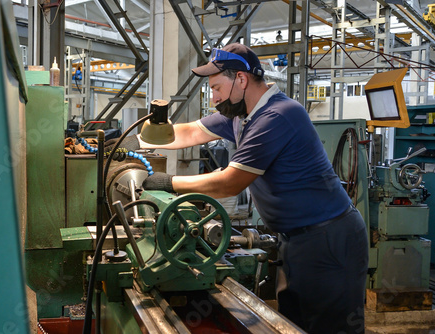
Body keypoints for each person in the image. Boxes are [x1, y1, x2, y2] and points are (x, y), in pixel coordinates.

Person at [105, 43, 368, 334]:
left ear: (241, 79)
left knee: (328, 326)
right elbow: (191, 131)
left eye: (217, 88)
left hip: (328, 239)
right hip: (296, 240)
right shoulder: (242, 115)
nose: (214, 98)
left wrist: (167, 183)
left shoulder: (277, 116)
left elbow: (230, 182)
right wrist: (133, 142)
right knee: (295, 323)